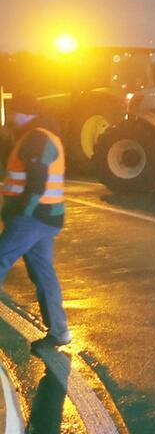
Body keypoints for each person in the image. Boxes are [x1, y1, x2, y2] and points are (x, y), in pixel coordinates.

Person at [0, 94, 72, 349]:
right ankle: (59, 331)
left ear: (25, 113)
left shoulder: (37, 137)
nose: (10, 116)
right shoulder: (42, 135)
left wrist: (22, 214)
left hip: (32, 218)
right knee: (43, 274)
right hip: (46, 219)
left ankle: (60, 330)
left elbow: (37, 182)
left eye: (13, 111)